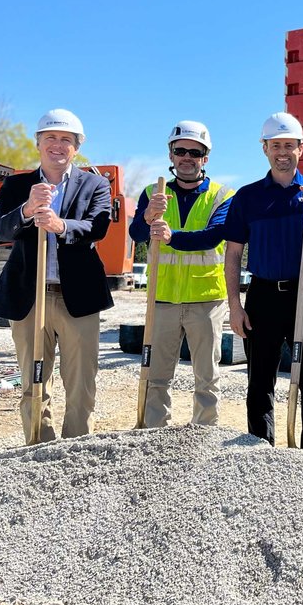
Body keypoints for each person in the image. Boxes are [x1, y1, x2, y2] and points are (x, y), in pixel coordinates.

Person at [223, 112, 303, 449]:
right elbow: (232, 254)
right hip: (263, 294)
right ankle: (260, 449)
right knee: (259, 380)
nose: (282, 152)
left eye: (289, 145)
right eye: (276, 145)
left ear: (301, 148)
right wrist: (234, 306)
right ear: (264, 148)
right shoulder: (247, 197)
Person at [0, 109, 113, 441]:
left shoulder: (95, 184)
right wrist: (27, 210)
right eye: (51, 138)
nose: (57, 145)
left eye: (65, 139)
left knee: (81, 382)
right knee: (34, 381)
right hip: (30, 297)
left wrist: (61, 226)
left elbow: (98, 227)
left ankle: (75, 446)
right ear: (38, 143)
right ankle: (37, 445)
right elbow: (1, 229)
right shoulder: (17, 185)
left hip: (79, 297)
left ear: (76, 147)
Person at [128, 120, 234, 427]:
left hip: (206, 299)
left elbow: (214, 236)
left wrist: (172, 237)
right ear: (171, 155)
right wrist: (147, 216)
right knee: (156, 376)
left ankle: (204, 434)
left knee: (207, 377)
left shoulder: (223, 195)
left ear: (205, 158)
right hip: (162, 298)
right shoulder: (153, 193)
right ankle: (154, 435)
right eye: (181, 151)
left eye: (195, 152)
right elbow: (136, 234)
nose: (187, 157)